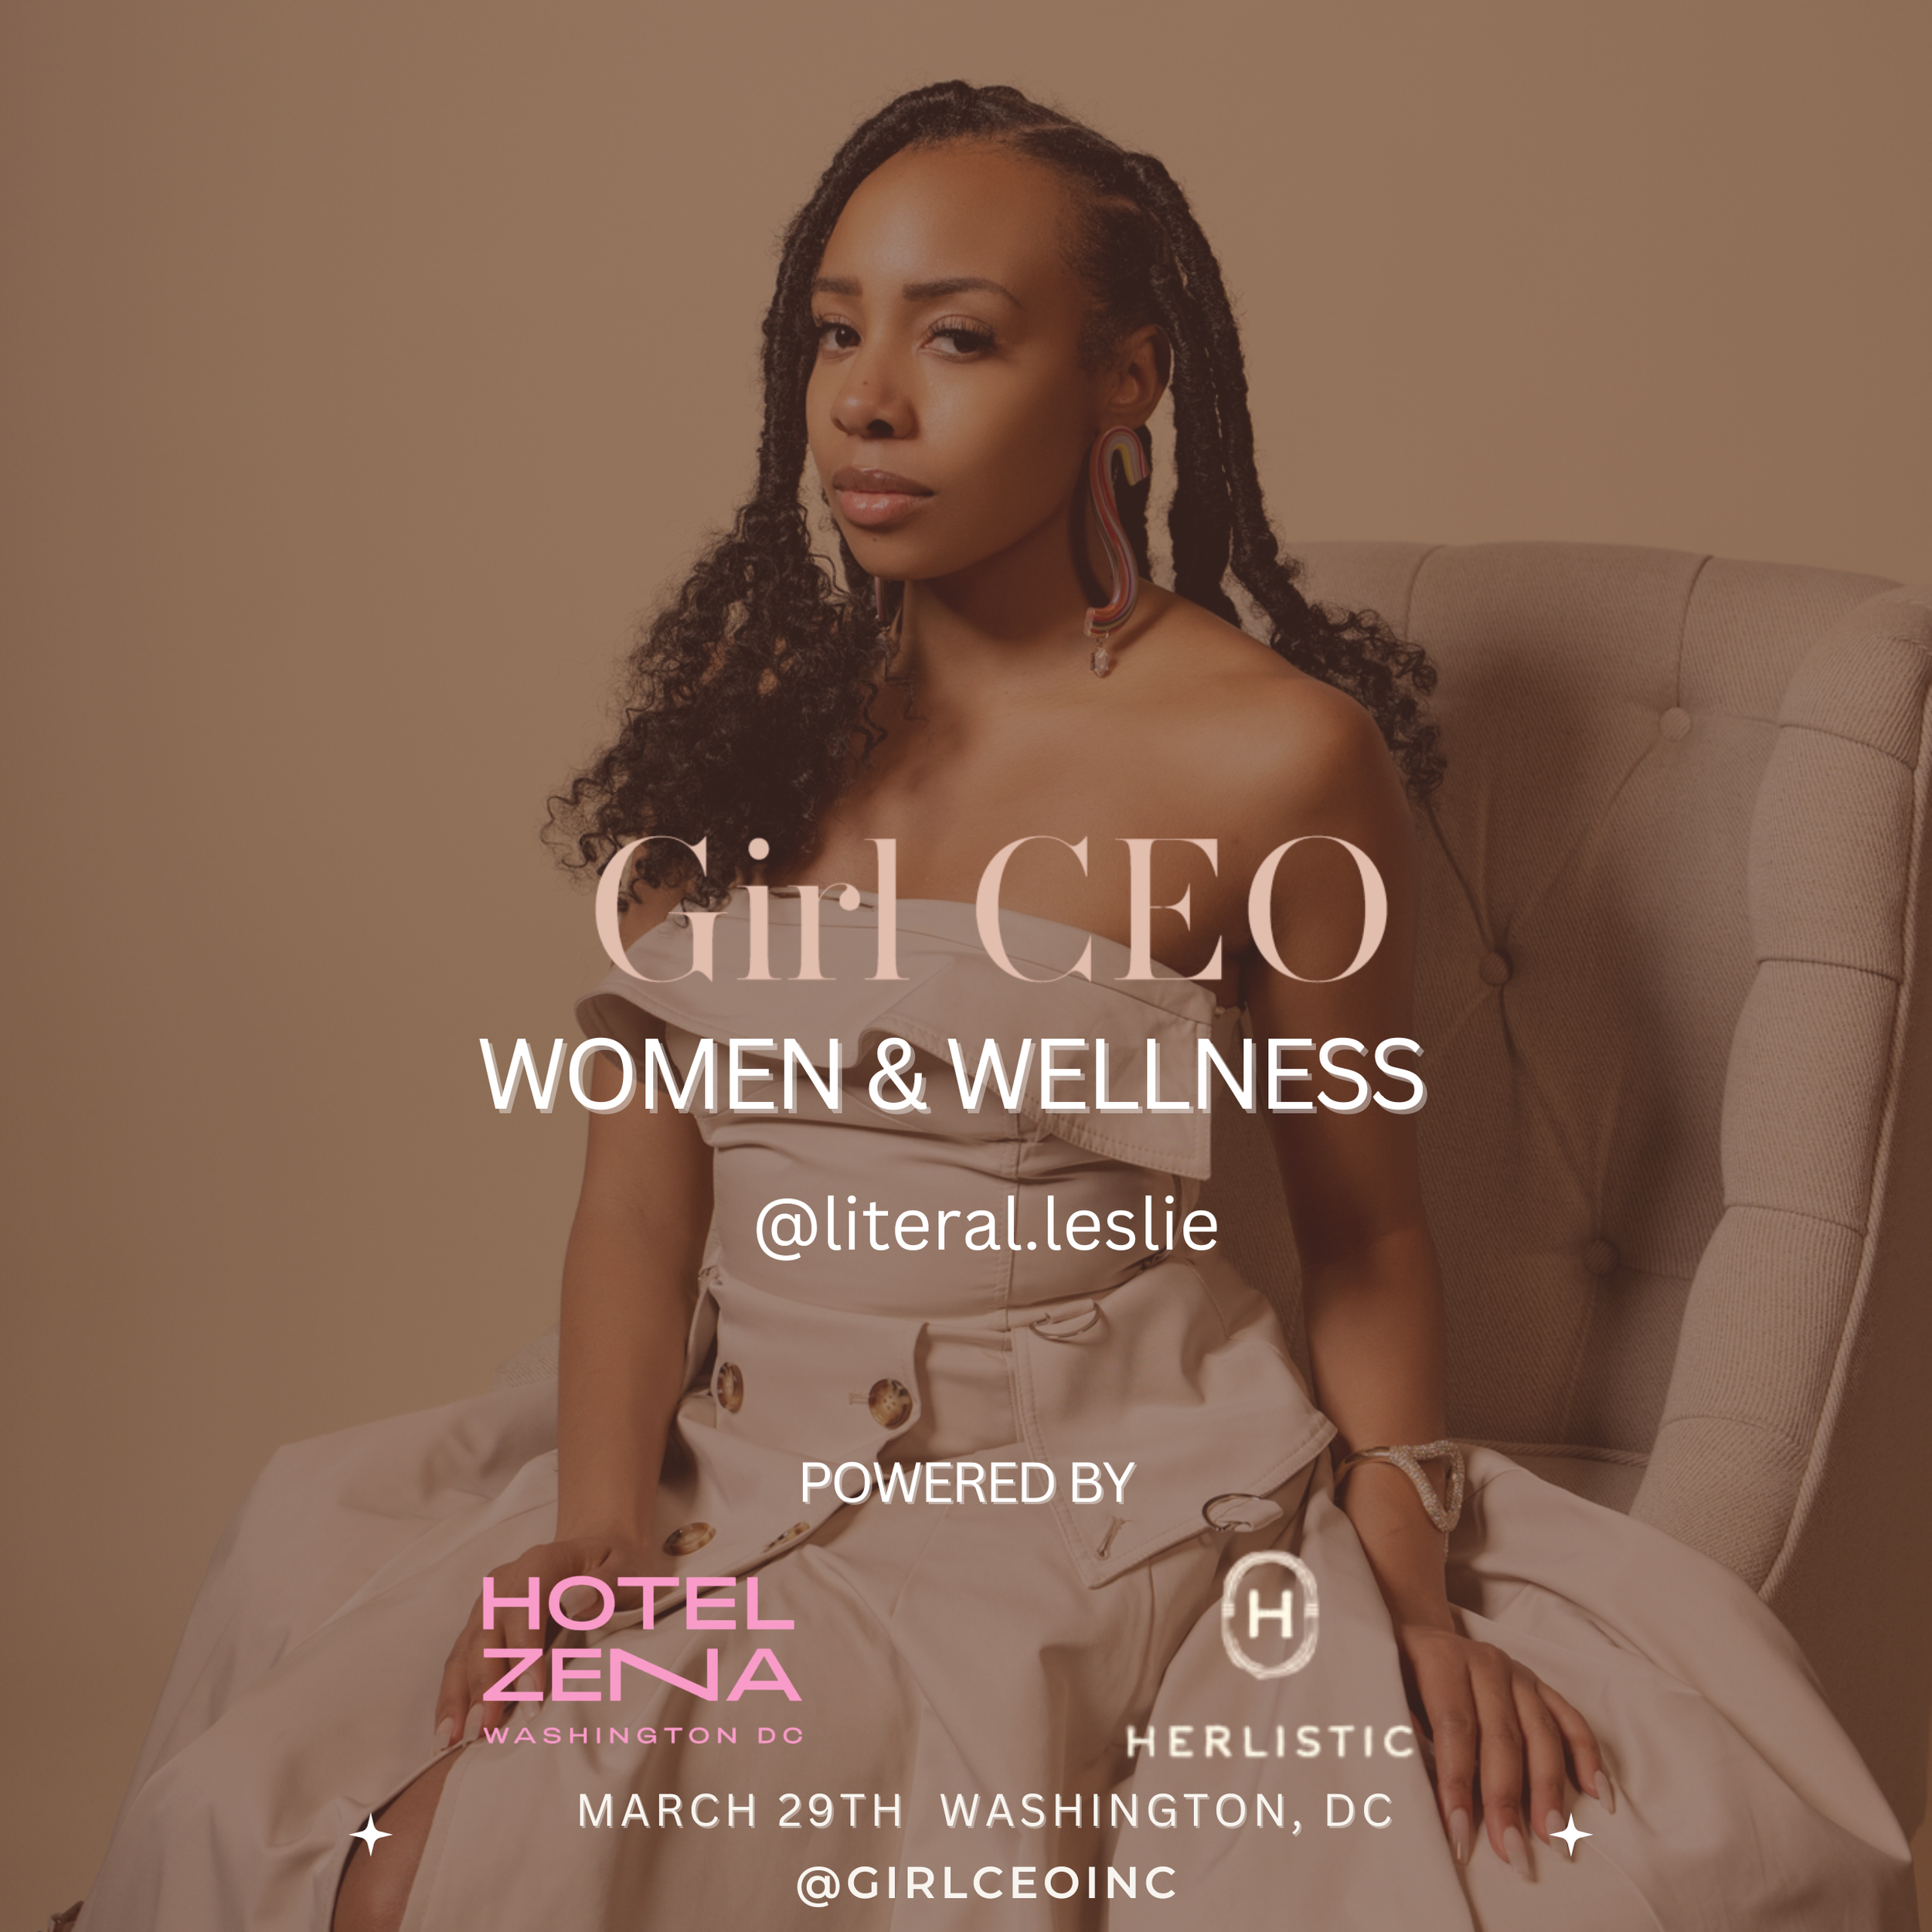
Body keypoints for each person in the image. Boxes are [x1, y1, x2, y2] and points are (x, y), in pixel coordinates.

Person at [79, 82, 1912, 1931]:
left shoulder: (1277, 755)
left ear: (1125, 380)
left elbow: (1363, 1229)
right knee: (305, 1723)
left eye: (956, 336)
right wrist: (606, 1517)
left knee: (506, 1841)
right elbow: (638, 1190)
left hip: (1053, 1496)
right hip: (708, 1439)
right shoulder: (754, 700)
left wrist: (1413, 1585)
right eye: (832, 333)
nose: (867, 399)